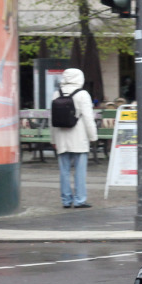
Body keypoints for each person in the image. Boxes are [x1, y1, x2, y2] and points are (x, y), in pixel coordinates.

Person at [52, 67, 98, 209]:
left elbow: (51, 119)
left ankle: (66, 200)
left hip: (61, 137)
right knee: (80, 170)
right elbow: (88, 118)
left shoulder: (56, 94)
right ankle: (80, 199)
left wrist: (53, 140)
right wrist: (93, 136)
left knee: (64, 171)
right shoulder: (82, 94)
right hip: (79, 137)